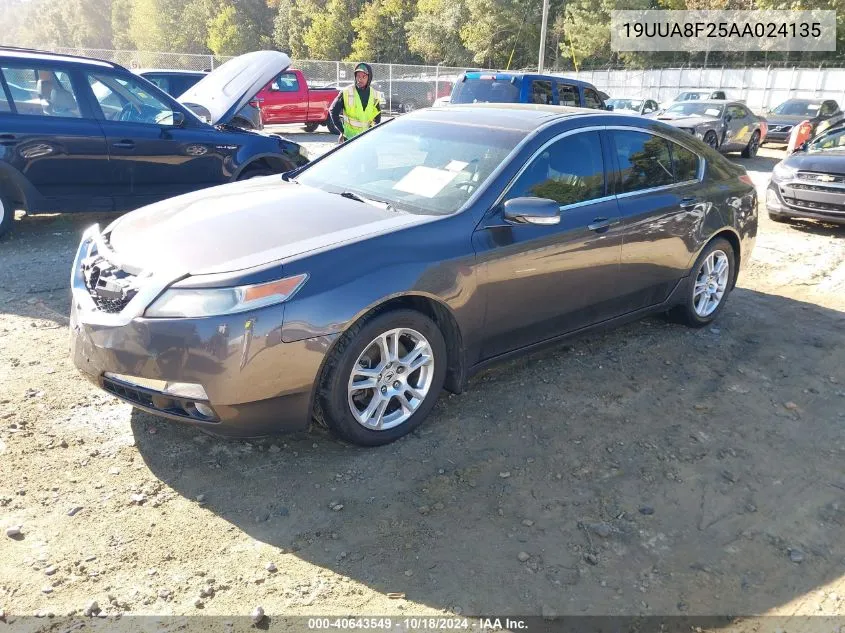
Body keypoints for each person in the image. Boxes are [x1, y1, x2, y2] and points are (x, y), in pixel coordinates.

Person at [329, 62, 383, 143]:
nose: (360, 79)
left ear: (369, 78)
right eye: (358, 76)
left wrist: (372, 131)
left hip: (367, 139)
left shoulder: (374, 95)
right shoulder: (346, 92)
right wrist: (343, 131)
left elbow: (377, 117)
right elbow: (333, 111)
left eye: (364, 76)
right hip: (349, 139)